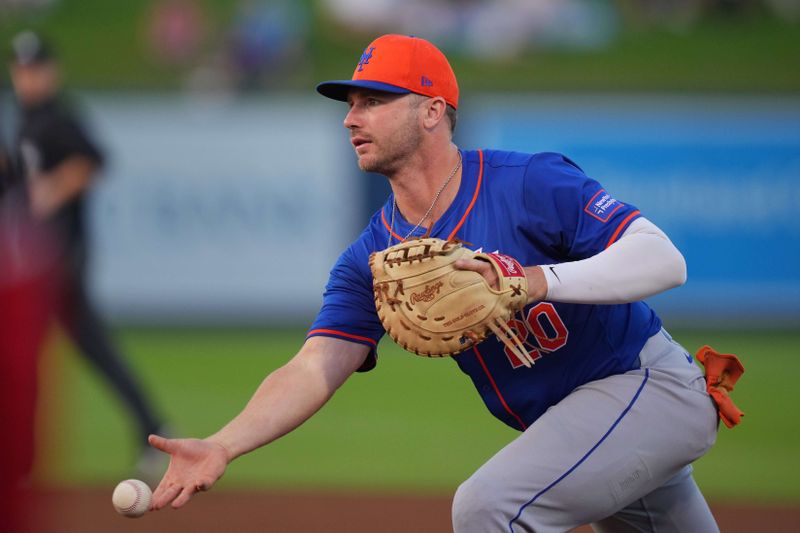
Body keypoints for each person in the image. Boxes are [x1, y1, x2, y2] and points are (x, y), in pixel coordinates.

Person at [148, 34, 727, 532]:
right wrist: (224, 443)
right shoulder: (371, 256)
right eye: (350, 104)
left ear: (431, 110)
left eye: (373, 101)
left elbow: (662, 259)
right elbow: (313, 366)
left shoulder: (526, 182)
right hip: (580, 426)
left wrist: (530, 281)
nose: (351, 117)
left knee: (490, 508)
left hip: (648, 389)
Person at [7, 31, 167, 481]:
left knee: (63, 347)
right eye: (21, 69)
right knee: (91, 347)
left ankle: (151, 426)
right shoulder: (26, 119)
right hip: (37, 260)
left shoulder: (58, 117)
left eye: (36, 68)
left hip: (61, 254)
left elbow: (91, 161)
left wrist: (48, 195)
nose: (29, 76)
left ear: (51, 71)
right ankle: (151, 426)